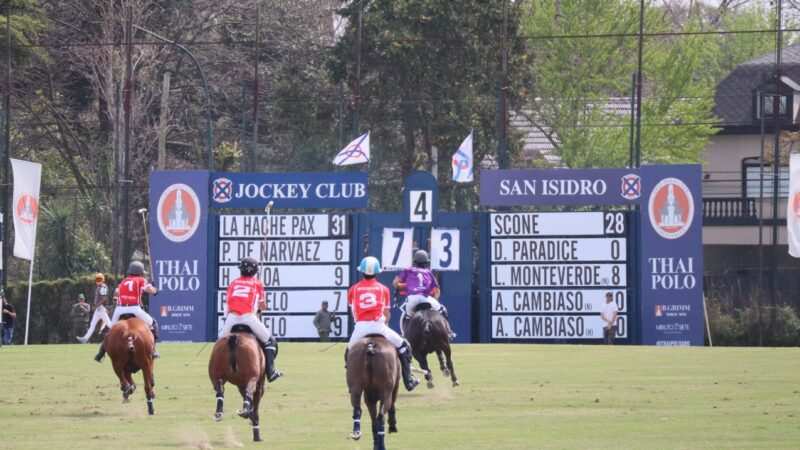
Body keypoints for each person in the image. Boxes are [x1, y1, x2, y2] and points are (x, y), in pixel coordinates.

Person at [347, 256, 418, 391]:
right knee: (404, 346)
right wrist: (384, 325)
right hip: (379, 326)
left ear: (362, 271)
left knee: (349, 352)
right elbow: (386, 313)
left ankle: (352, 384)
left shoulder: (353, 289)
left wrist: (359, 324)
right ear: (377, 272)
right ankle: (408, 380)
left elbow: (354, 312)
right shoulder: (384, 289)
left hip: (360, 327)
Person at [220, 257, 282, 382]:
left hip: (231, 318)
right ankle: (271, 372)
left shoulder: (233, 283)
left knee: (220, 344)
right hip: (248, 317)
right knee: (270, 341)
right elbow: (262, 306)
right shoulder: (257, 283)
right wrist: (261, 308)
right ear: (254, 271)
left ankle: (218, 372)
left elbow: (227, 304)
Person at [95, 261, 159, 362]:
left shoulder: (124, 281)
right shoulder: (141, 280)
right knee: (154, 324)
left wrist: (119, 296)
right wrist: (155, 289)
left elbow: (116, 291)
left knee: (110, 331)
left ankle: (100, 353)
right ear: (140, 272)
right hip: (135, 308)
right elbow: (149, 290)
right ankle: (153, 350)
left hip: (120, 309)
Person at [393, 249, 455, 339]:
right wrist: (435, 300)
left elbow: (395, 283)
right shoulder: (429, 272)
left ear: (414, 261)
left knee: (405, 316)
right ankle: (449, 332)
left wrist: (406, 286)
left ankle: (404, 335)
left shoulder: (408, 270)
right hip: (426, 298)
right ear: (426, 262)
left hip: (412, 299)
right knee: (443, 310)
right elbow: (437, 290)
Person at [77, 273, 112, 343]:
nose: (98, 281)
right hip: (98, 309)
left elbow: (104, 298)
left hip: (101, 308)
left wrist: (96, 305)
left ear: (103, 280)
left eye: (99, 279)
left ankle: (120, 333)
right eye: (97, 279)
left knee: (109, 324)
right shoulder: (99, 287)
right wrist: (96, 306)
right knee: (92, 324)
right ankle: (85, 338)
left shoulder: (103, 287)